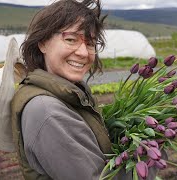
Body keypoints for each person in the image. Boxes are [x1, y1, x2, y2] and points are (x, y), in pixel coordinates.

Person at [9, 0, 115, 179]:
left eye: (90, 43)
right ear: (43, 43)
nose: (83, 52)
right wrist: (152, 155)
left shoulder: (68, 95)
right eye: (71, 39)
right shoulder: (48, 112)